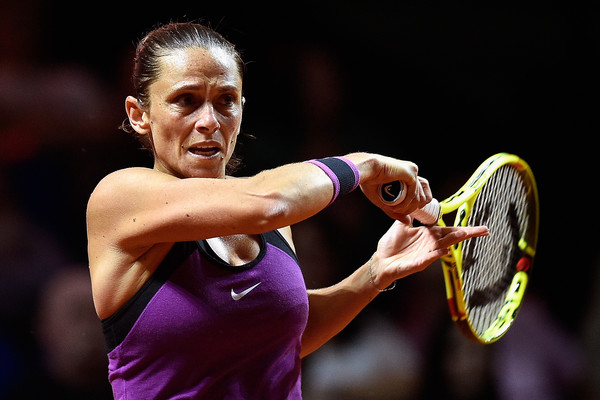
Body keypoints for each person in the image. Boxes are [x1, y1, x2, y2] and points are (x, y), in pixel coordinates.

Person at [86, 22, 488, 399]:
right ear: (140, 115)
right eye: (185, 101)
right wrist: (363, 165)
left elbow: (279, 339)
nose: (209, 120)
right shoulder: (120, 197)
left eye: (226, 101)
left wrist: (374, 274)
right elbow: (268, 203)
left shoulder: (272, 219)